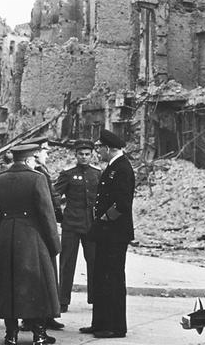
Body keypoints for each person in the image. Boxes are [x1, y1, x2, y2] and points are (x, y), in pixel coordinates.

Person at [0, 144, 61, 345]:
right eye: (34, 160)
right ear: (29, 160)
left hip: (7, 236)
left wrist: (1, 237)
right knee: (36, 284)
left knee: (8, 284)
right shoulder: (37, 178)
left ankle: (10, 335)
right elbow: (47, 214)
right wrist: (54, 244)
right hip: (32, 237)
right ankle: (39, 335)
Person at [80, 130, 134, 339]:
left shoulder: (122, 168)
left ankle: (115, 326)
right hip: (106, 233)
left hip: (114, 233)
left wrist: (103, 221)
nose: (98, 151)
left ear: (110, 148)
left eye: (100, 148)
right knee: (101, 278)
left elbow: (122, 204)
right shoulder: (113, 167)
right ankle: (100, 323)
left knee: (112, 279)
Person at [20, 136, 65, 331]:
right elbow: (46, 202)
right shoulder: (36, 173)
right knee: (40, 275)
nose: (47, 154)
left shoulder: (42, 171)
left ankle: (47, 315)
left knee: (47, 274)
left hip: (45, 226)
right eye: (45, 150)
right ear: (36, 153)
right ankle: (35, 318)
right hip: (40, 229)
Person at [52, 139, 100, 313]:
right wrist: (60, 216)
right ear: (76, 155)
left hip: (91, 226)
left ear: (92, 155)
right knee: (67, 262)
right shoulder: (68, 174)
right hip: (71, 224)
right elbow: (54, 195)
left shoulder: (97, 174)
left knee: (94, 262)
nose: (84, 157)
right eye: (81, 154)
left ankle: (95, 298)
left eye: (87, 154)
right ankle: (63, 300)